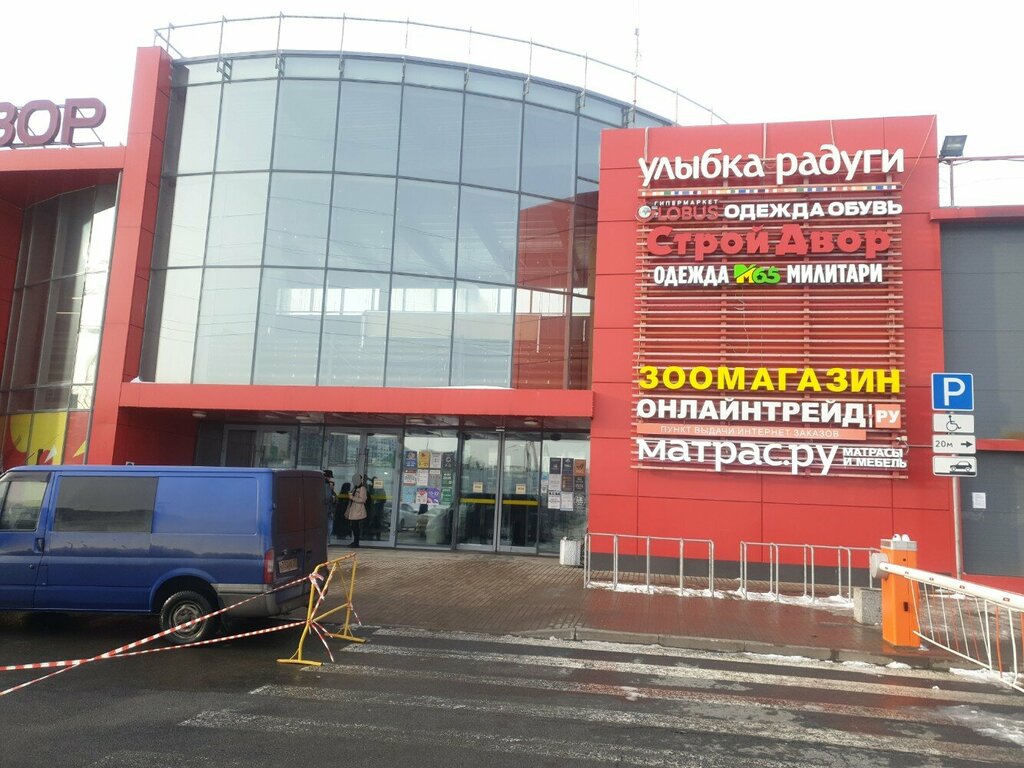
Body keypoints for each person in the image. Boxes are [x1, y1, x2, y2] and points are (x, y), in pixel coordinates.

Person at [345, 474, 368, 548]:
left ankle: (356, 543)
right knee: (354, 526)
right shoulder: (355, 488)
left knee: (355, 527)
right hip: (354, 509)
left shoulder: (362, 488)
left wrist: (352, 497)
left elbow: (362, 500)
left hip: (358, 510)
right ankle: (355, 542)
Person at [322, 470, 336, 547]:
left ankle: (326, 541)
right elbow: (327, 497)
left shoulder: (321, 484)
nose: (329, 479)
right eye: (329, 477)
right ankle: (327, 541)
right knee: (328, 526)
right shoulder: (326, 485)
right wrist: (332, 498)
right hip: (327, 509)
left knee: (328, 526)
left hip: (325, 509)